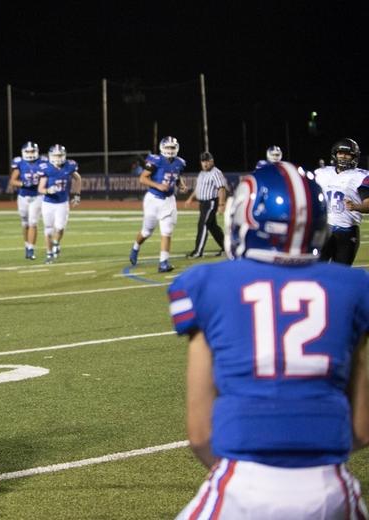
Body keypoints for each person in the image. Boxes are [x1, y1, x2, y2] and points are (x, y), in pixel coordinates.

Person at [169, 161, 369, 519]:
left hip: (244, 483)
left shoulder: (207, 285)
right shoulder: (355, 288)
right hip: (329, 488)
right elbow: (361, 429)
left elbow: (200, 435)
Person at [129, 136, 187, 272]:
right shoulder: (156, 160)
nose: (170, 150)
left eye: (172, 147)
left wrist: (181, 185)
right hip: (153, 200)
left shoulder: (180, 162)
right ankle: (136, 247)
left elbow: (177, 176)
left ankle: (163, 263)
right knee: (147, 231)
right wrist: (158, 185)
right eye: (168, 147)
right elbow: (142, 178)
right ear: (162, 148)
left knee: (167, 231)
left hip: (169, 201)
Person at [314, 137, 369, 265]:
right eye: (340, 153)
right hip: (324, 229)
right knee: (316, 269)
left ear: (354, 157)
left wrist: (356, 206)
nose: (343, 157)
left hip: (346, 232)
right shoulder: (322, 173)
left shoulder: (360, 176)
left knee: (340, 272)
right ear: (335, 154)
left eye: (347, 154)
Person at [37, 144, 81, 263]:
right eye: (55, 155)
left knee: (60, 228)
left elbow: (78, 179)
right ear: (50, 156)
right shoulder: (46, 168)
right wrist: (48, 190)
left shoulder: (69, 166)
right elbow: (40, 189)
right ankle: (49, 253)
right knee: (48, 230)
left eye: (60, 155)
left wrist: (77, 195)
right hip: (48, 203)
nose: (58, 158)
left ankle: (56, 242)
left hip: (62, 203)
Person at [184, 151, 227, 258]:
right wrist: (190, 198)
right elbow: (198, 188)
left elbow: (221, 189)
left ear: (212, 161)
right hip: (203, 204)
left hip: (210, 203)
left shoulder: (216, 172)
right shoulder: (202, 173)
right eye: (203, 161)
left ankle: (198, 252)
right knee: (213, 227)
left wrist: (221, 204)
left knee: (203, 224)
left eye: (207, 161)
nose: (205, 163)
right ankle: (227, 247)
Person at [9, 141, 43, 260]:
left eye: (32, 151)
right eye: (28, 151)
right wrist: (23, 183)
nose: (30, 153)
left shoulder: (43, 163)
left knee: (33, 222)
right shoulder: (20, 163)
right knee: (25, 223)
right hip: (23, 197)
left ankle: (31, 249)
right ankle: (27, 245)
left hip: (37, 196)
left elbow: (47, 178)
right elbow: (12, 181)